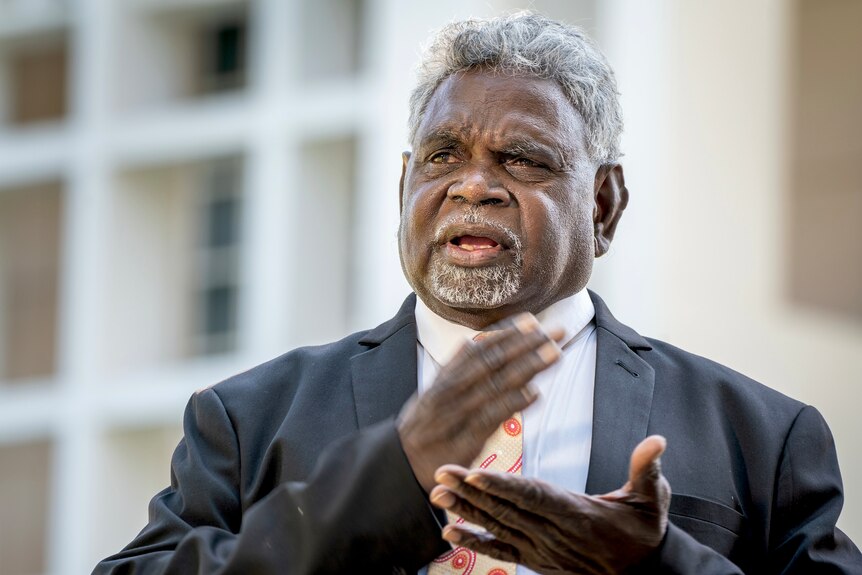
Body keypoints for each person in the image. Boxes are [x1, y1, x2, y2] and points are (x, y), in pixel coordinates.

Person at [94, 12, 861, 574]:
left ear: (604, 205)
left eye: (522, 159)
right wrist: (386, 483)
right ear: (403, 186)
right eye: (442, 155)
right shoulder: (250, 420)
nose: (472, 184)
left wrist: (656, 565)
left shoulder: (762, 435)